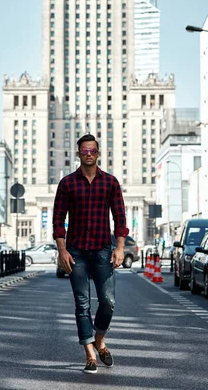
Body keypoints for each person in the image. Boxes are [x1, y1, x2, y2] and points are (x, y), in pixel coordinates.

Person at [53, 133, 129, 374]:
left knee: (108, 302)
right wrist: (62, 250)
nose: (88, 154)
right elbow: (58, 219)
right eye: (84, 150)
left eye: (92, 150)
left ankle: (100, 339)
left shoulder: (110, 182)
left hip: (103, 250)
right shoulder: (67, 183)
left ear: (98, 153)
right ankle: (90, 355)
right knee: (82, 304)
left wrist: (119, 247)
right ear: (78, 154)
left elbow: (119, 217)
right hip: (76, 252)